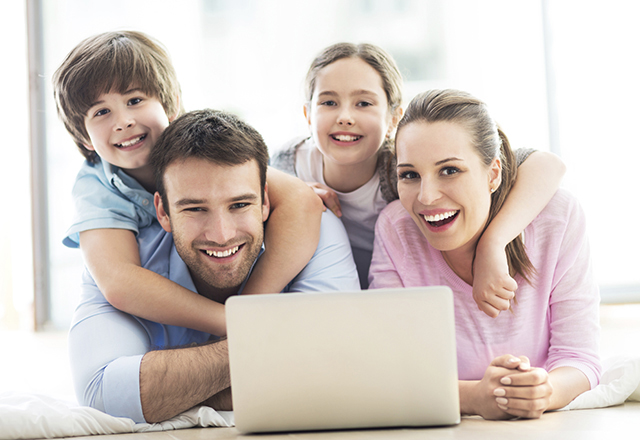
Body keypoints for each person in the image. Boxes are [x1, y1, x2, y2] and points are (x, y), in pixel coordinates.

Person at [68, 109, 360, 423]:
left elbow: (339, 368)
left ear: (265, 201)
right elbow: (103, 396)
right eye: (195, 209)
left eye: (239, 205)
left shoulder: (317, 227)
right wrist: (273, 347)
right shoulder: (121, 260)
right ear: (163, 212)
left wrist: (172, 391)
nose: (222, 235)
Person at [53, 31, 325, 337]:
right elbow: (119, 281)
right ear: (83, 137)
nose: (123, 121)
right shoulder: (95, 186)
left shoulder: (195, 151)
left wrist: (247, 309)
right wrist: (226, 322)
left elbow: (302, 202)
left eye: (135, 100)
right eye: (102, 112)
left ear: (171, 105)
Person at [271, 42, 566, 319]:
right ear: (308, 115)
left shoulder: (405, 170)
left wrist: (493, 243)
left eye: (363, 103)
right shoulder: (289, 164)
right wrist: (294, 196)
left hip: (388, 284)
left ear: (394, 118)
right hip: (327, 288)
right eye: (329, 102)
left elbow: (547, 164)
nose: (345, 116)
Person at [369, 89, 601, 420]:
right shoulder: (396, 229)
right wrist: (474, 397)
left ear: (492, 174)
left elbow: (580, 358)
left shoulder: (556, 217)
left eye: (449, 170)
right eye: (410, 175)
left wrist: (543, 391)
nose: (427, 196)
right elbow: (390, 370)